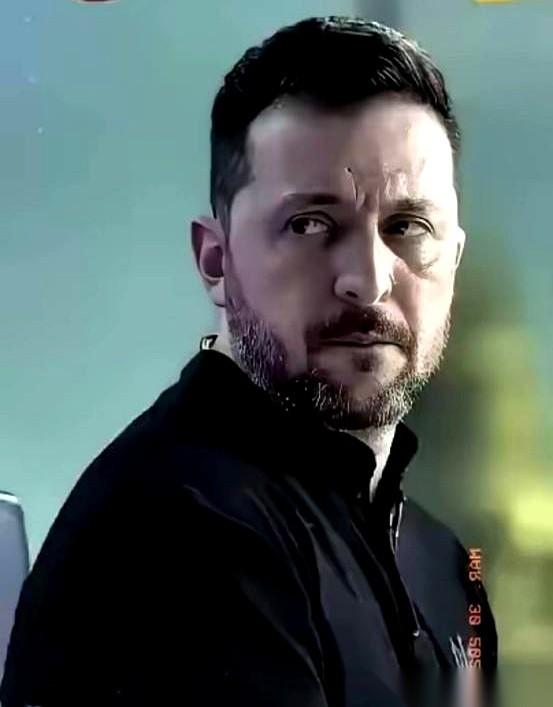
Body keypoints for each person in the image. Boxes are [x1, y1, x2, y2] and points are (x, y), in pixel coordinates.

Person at [1, 16, 497, 707]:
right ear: (215, 260)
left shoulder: (446, 568)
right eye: (310, 224)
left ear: (454, 260)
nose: (368, 280)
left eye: (408, 227)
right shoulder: (179, 535)